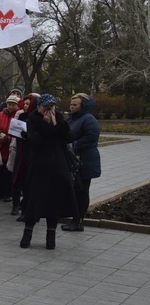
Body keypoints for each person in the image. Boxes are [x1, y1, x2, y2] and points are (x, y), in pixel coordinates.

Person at [20, 94, 78, 249]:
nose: (49, 111)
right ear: (39, 107)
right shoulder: (33, 119)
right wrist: (46, 125)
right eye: (46, 107)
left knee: (54, 202)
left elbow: (69, 137)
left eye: (52, 107)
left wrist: (56, 124)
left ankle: (51, 237)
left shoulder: (58, 118)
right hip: (39, 167)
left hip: (58, 167)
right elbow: (34, 141)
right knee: (34, 202)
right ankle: (27, 234)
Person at [62, 93, 101, 232]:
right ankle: (75, 219)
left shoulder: (88, 119)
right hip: (75, 160)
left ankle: (78, 221)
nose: (72, 107)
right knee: (76, 190)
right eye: (71, 104)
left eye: (75, 105)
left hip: (85, 160)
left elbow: (92, 136)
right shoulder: (73, 118)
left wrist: (73, 145)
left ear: (83, 106)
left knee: (82, 191)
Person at [9, 93, 39, 218]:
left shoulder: (37, 118)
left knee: (29, 183)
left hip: (32, 154)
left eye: (28, 103)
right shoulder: (21, 116)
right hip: (20, 152)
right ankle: (15, 205)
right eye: (25, 103)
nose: (25, 106)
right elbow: (14, 131)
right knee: (16, 180)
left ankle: (27, 209)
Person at [0, 94, 20, 202]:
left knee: (8, 172)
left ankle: (9, 193)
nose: (10, 107)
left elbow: (16, 130)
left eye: (13, 104)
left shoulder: (17, 116)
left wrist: (7, 138)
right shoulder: (1, 114)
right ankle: (0, 192)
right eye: (9, 104)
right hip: (0, 145)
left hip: (10, 146)